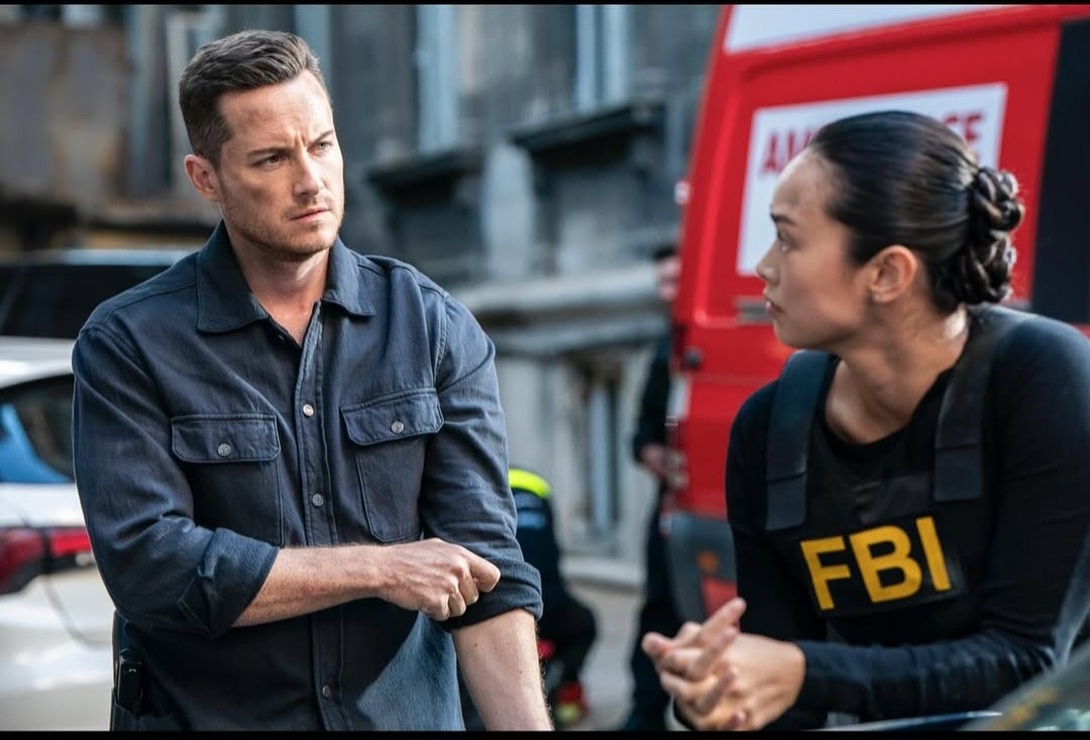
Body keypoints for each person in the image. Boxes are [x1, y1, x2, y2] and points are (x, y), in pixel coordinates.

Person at [70, 29, 552, 732]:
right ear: (205, 178)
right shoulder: (129, 344)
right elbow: (152, 569)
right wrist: (382, 569)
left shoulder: (432, 326)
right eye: (271, 158)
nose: (310, 181)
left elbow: (486, 572)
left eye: (322, 145)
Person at [641, 109, 1090, 731]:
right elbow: (786, 701)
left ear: (886, 273)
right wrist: (722, 699)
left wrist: (801, 671)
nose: (764, 266)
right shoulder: (769, 430)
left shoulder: (1043, 378)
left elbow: (1028, 662)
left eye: (788, 239)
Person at [461, 466, 599, 730]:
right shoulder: (539, 487)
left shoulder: (473, 487)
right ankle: (558, 687)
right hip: (548, 604)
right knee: (585, 625)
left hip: (494, 606)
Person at [616, 244, 685, 731]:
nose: (667, 292)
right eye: (661, 282)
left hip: (715, 503)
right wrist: (652, 454)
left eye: (675, 280)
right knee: (658, 606)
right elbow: (641, 433)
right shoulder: (665, 347)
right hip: (671, 500)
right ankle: (646, 712)